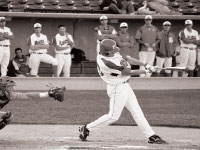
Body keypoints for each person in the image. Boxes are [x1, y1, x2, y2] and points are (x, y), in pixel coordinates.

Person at [79, 39, 167, 144]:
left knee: (137, 112)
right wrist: (148, 70)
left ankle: (151, 136)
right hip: (117, 89)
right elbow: (127, 72)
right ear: (106, 52)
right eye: (113, 50)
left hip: (125, 86)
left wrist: (146, 64)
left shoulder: (107, 51)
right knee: (113, 116)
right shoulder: (106, 63)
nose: (115, 51)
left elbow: (127, 58)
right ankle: (87, 128)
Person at [0, 76, 66, 130]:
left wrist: (47, 94)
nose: (12, 89)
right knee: (6, 115)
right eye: (9, 87)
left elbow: (28, 95)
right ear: (3, 87)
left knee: (9, 117)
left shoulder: (10, 96)